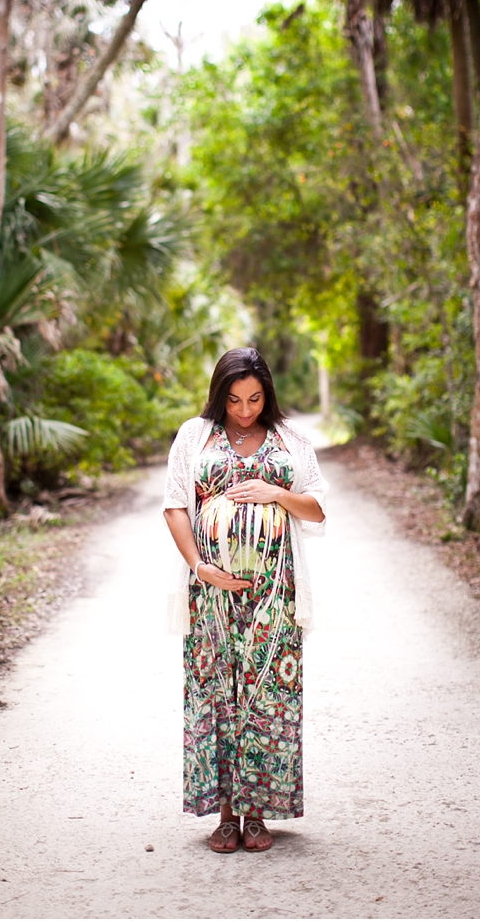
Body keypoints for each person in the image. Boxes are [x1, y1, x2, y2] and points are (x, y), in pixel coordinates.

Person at [163, 347, 327, 853]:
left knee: (266, 696)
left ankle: (257, 814)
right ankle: (226, 815)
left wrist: (274, 493)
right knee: (218, 693)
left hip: (276, 593)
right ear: (220, 395)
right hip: (210, 591)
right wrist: (200, 566)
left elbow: (318, 509)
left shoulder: (291, 439)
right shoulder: (195, 434)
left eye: (254, 399)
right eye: (234, 400)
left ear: (267, 394)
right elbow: (174, 506)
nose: (244, 410)